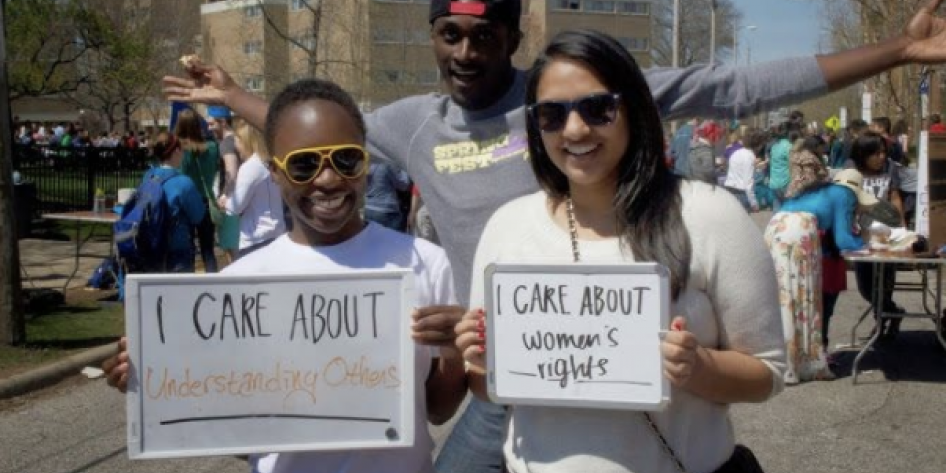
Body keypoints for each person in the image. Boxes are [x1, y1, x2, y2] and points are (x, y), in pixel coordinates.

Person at [160, 1, 946, 470]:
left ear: (512, 37)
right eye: (449, 33)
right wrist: (234, 97)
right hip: (503, 373)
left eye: (485, 34)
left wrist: (900, 50)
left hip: (614, 371)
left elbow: (736, 85)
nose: (466, 51)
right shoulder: (411, 124)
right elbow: (321, 138)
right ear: (434, 37)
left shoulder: (577, 91)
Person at [455, 30, 785, 473]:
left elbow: (766, 374)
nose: (575, 129)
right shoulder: (507, 226)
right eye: (551, 114)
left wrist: (698, 367)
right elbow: (488, 388)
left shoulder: (709, 215)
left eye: (598, 108)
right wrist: (481, 364)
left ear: (632, 109)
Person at [103, 78, 467, 473]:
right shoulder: (238, 286)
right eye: (303, 165)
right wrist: (153, 387)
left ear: (366, 164)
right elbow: (242, 438)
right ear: (275, 173)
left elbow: (439, 409)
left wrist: (452, 349)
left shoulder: (425, 264)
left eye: (346, 160)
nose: (327, 179)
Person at [767, 156, 873, 384]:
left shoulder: (812, 191)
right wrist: (868, 243)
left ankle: (784, 361)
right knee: (805, 299)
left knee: (786, 298)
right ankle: (807, 361)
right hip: (800, 234)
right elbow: (844, 240)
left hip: (776, 229)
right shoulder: (844, 194)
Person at [851, 131, 907, 341]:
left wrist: (902, 227)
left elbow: (895, 197)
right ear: (863, 154)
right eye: (876, 153)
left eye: (883, 152)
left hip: (887, 237)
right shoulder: (852, 172)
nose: (881, 157)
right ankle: (893, 312)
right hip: (862, 237)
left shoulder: (890, 169)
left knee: (885, 283)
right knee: (866, 287)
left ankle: (881, 322)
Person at [134, 132, 207, 273]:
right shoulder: (184, 183)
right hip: (177, 249)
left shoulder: (148, 176)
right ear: (177, 151)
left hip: (151, 246)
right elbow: (198, 216)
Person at [223, 120, 286, 258]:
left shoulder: (251, 167)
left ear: (246, 141)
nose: (236, 146)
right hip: (277, 234)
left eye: (237, 141)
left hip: (256, 239)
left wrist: (225, 202)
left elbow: (235, 207)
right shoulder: (270, 162)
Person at [175, 108, 220, 273]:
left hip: (187, 202)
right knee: (208, 250)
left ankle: (189, 282)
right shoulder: (213, 147)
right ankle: (213, 281)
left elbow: (180, 177)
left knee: (188, 249)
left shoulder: (182, 151)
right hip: (207, 200)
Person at [209, 105, 241, 262]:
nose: (209, 128)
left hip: (231, 203)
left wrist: (224, 196)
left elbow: (231, 173)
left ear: (222, 122)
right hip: (239, 201)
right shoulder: (238, 139)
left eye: (211, 124)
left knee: (231, 249)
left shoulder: (227, 143)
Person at [365, 161, 412, 232]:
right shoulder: (385, 167)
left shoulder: (363, 169)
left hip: (368, 209)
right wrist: (405, 169)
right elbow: (404, 185)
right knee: (394, 238)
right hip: (387, 211)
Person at [723, 129, 761, 212]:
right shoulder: (749, 156)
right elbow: (748, 183)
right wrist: (754, 203)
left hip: (729, 188)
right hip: (740, 193)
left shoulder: (736, 153)